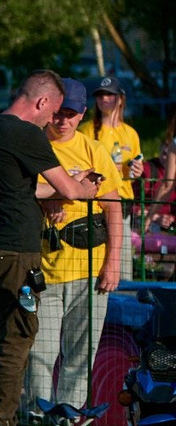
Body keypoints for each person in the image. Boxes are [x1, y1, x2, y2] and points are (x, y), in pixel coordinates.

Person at [0, 70, 103, 426]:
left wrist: (65, 183)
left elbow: (23, 188)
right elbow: (69, 190)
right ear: (41, 102)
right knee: (18, 336)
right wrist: (85, 187)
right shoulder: (26, 134)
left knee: (1, 336)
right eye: (53, 111)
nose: (51, 121)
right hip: (17, 252)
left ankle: (1, 424)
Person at [25, 79, 124, 408]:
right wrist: (58, 192)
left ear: (82, 114)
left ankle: (67, 420)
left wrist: (113, 262)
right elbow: (20, 192)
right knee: (41, 351)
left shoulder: (94, 151)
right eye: (58, 113)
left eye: (70, 114)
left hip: (89, 269)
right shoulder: (34, 145)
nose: (62, 120)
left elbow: (113, 207)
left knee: (81, 354)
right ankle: (39, 417)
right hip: (46, 269)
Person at [91, 79, 142, 280]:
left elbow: (136, 168)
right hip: (96, 204)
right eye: (100, 94)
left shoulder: (130, 133)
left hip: (123, 206)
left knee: (122, 267)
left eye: (110, 94)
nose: (104, 99)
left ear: (120, 99)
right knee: (98, 265)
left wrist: (136, 171)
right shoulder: (86, 130)